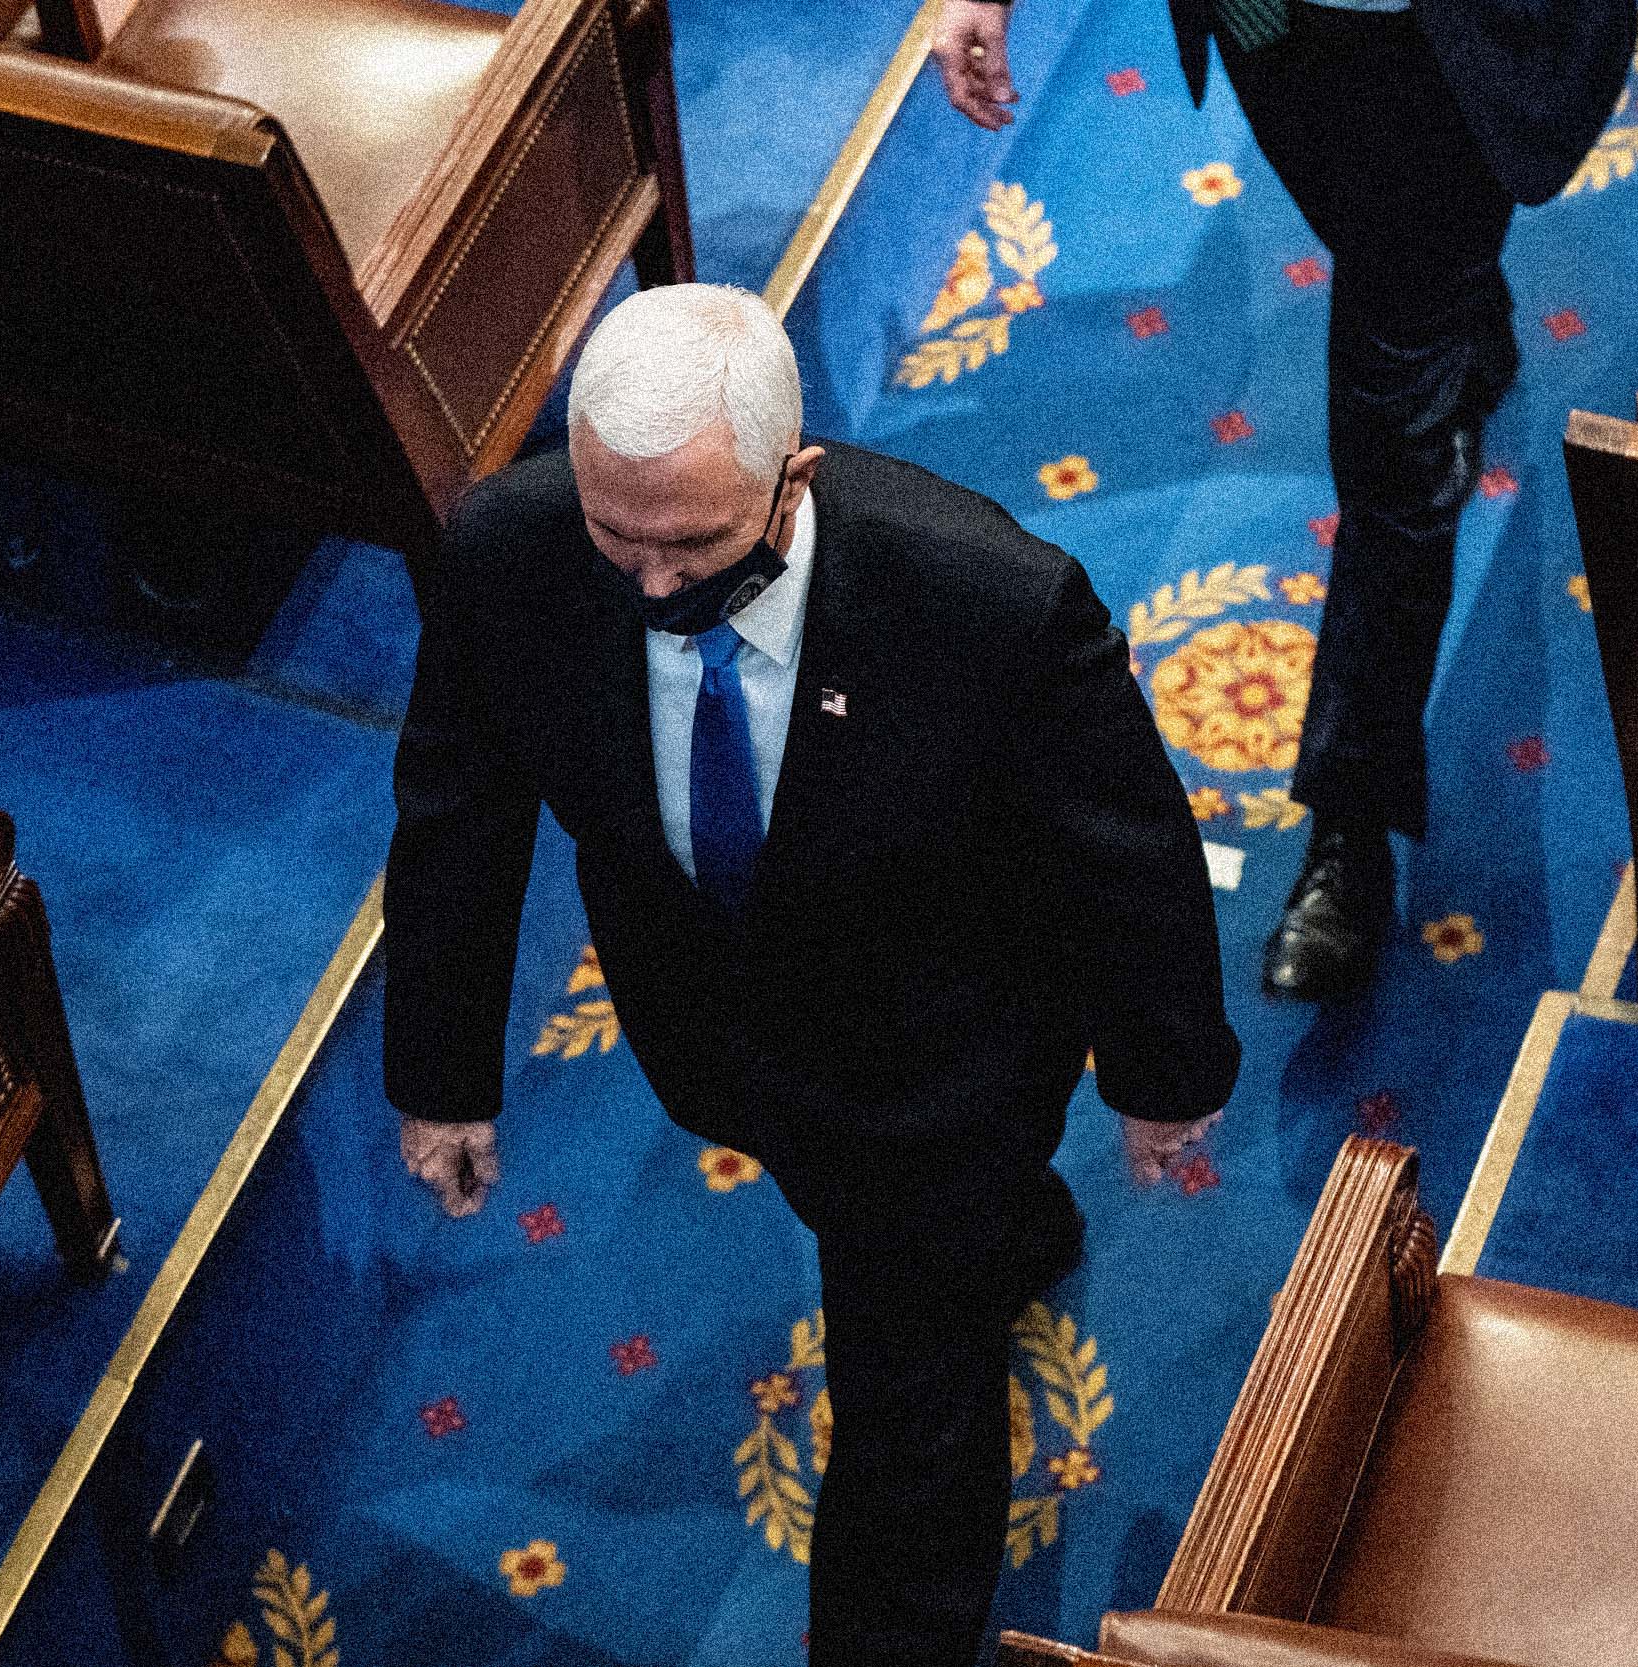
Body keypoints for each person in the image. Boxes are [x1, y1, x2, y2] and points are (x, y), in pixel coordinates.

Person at [383, 283, 1238, 1667]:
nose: (652, 589)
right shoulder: (507, 551)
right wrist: (441, 1074)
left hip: (946, 1056)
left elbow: (1126, 852)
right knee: (903, 1224)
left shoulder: (991, 602)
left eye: (691, 545)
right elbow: (458, 806)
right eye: (619, 539)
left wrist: (1161, 1076)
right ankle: (1014, 1233)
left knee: (913, 1403)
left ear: (795, 482)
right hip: (715, 1036)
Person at [934, 0, 1638, 1001]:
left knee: (1391, 458)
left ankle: (1350, 828)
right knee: (1389, 254)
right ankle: (1454, 320)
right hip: (1264, 21)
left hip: (1436, 53)